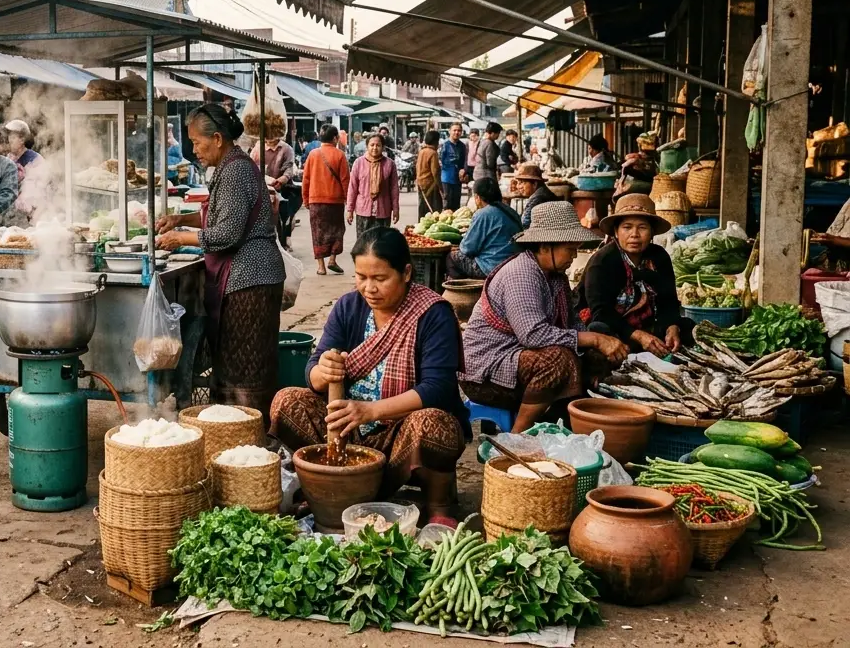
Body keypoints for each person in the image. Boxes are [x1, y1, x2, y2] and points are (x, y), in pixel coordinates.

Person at [269, 227, 467, 527]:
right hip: (349, 432)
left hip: (398, 433)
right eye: (361, 277)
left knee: (435, 425)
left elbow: (438, 388)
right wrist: (323, 370)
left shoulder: (432, 314)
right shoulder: (349, 307)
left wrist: (369, 411)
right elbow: (312, 369)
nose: (368, 288)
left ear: (407, 273)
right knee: (286, 401)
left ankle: (439, 506)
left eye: (380, 278)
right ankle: (329, 485)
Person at [157, 104, 284, 417]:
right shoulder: (230, 167)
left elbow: (226, 233)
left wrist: (179, 238)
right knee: (236, 360)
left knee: (245, 365)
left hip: (249, 281)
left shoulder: (236, 171)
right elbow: (217, 215)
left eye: (197, 142)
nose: (194, 150)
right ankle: (236, 427)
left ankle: (248, 431)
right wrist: (179, 219)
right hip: (249, 279)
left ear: (216, 138)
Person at [459, 204, 628, 433]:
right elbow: (534, 335)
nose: (574, 256)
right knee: (558, 361)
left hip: (518, 360)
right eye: (570, 249)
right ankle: (517, 436)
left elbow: (572, 323)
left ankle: (560, 422)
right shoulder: (522, 273)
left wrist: (597, 346)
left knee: (592, 354)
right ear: (546, 246)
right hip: (486, 372)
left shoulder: (555, 277)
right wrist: (594, 340)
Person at [580, 195, 692, 355]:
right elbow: (601, 312)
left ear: (652, 232)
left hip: (644, 324)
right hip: (614, 327)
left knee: (687, 327)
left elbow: (669, 301)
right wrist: (639, 336)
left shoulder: (659, 257)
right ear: (616, 232)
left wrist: (672, 327)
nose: (635, 234)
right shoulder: (602, 262)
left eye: (642, 227)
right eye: (627, 227)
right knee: (599, 329)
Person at [302, 123, 351, 276]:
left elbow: (306, 179)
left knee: (318, 233)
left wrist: (305, 199)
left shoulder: (313, 155)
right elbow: (345, 180)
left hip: (316, 200)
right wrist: (348, 200)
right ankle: (332, 260)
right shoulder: (340, 155)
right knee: (337, 231)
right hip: (335, 201)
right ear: (335, 138)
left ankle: (321, 266)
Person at [448, 178, 523, 279]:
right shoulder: (512, 212)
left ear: (477, 197)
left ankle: (465, 292)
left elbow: (467, 249)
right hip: (515, 265)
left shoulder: (483, 214)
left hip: (491, 268)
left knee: (451, 258)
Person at [346, 131, 398, 239]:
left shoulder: (390, 164)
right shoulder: (358, 163)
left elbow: (394, 189)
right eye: (372, 145)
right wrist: (350, 210)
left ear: (383, 147)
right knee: (363, 243)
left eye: (378, 145)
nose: (375, 148)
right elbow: (352, 188)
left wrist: (396, 210)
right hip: (363, 211)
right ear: (367, 146)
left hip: (383, 211)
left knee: (381, 244)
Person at [250, 130, 297, 250]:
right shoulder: (258, 147)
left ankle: (284, 241)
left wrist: (281, 180)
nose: (269, 137)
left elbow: (289, 169)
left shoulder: (286, 149)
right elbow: (251, 165)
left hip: (283, 189)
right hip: (263, 187)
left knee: (285, 218)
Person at [515, 164, 559, 228]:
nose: (518, 187)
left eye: (522, 182)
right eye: (518, 183)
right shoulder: (542, 193)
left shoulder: (538, 198)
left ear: (534, 184)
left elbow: (525, 224)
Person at [439, 123, 467, 211]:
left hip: (458, 179)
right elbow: (440, 161)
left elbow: (465, 161)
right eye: (454, 130)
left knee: (456, 204)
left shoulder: (462, 146)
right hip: (447, 178)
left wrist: (464, 170)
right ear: (450, 131)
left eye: (459, 130)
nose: (456, 132)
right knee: (447, 203)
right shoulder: (445, 145)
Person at [416, 131, 444, 216]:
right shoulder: (432, 153)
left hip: (421, 184)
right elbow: (435, 172)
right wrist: (441, 187)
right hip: (430, 185)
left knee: (423, 209)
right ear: (435, 141)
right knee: (434, 211)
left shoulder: (422, 151)